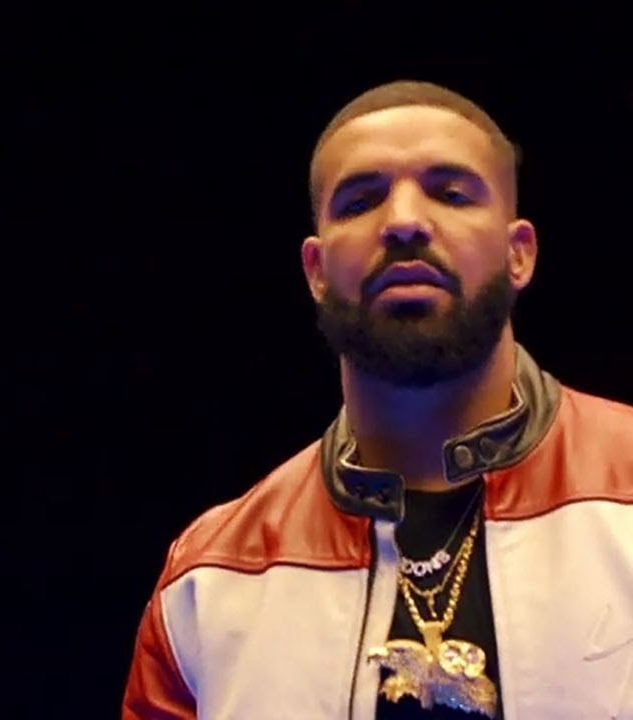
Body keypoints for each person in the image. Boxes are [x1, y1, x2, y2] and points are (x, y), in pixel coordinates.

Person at [121, 80, 632, 719]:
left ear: (518, 253)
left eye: (451, 193)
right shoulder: (211, 576)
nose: (404, 222)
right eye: (362, 201)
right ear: (315, 271)